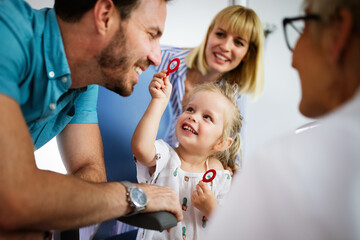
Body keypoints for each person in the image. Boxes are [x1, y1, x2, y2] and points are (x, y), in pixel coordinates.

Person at [0, 0, 183, 239]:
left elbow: (91, 174)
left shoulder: (82, 82)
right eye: (151, 34)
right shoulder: (7, 30)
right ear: (105, 16)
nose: (157, 58)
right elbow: (16, 199)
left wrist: (40, 200)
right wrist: (134, 196)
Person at [203, 0, 360, 239]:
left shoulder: (281, 164)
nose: (293, 58)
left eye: (303, 26)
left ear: (339, 33)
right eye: (221, 34)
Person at [131, 70, 242, 239]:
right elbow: (140, 148)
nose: (193, 117)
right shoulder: (165, 156)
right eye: (190, 109)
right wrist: (159, 101)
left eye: (207, 117)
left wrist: (211, 209)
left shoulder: (218, 173)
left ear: (221, 143)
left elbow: (230, 226)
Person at [155, 5, 264, 164]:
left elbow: (232, 158)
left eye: (238, 43)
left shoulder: (233, 99)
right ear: (209, 35)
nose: (226, 47)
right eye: (220, 34)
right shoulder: (161, 58)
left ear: (248, 54)